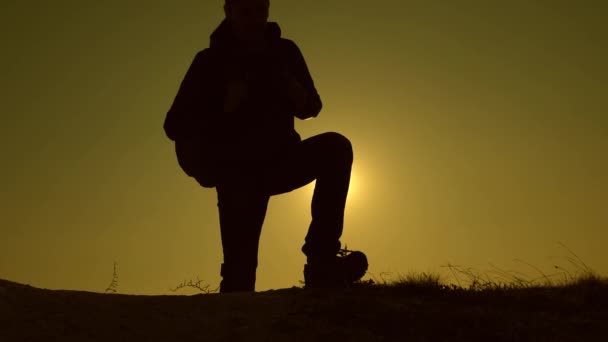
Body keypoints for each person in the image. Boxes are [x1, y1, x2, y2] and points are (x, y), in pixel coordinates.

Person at [163, 0, 367, 293]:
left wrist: (293, 90)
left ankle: (322, 262)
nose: (254, 18)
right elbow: (174, 125)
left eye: (260, 9)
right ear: (228, 11)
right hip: (237, 175)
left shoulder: (284, 52)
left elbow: (312, 106)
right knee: (239, 280)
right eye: (246, 10)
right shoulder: (209, 62)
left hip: (281, 161)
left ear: (268, 9)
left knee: (336, 148)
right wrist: (224, 108)